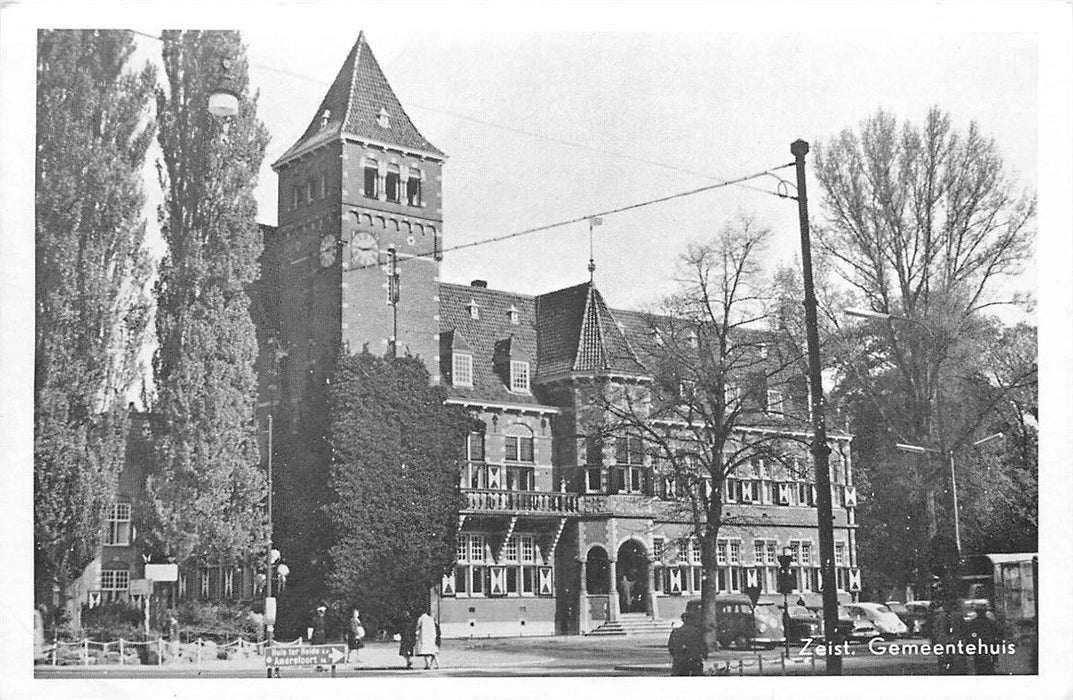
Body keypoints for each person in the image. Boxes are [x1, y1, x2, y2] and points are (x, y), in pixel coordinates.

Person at [667, 608, 707, 676]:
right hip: (694, 660)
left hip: (679, 661)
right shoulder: (697, 632)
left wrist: (677, 655)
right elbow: (703, 646)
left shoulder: (676, 632)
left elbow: (671, 647)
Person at [966, 603, 1001, 675]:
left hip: (978, 648)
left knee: (979, 668)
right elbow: (996, 636)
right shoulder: (991, 623)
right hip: (988, 647)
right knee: (989, 668)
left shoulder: (972, 623)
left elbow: (970, 637)